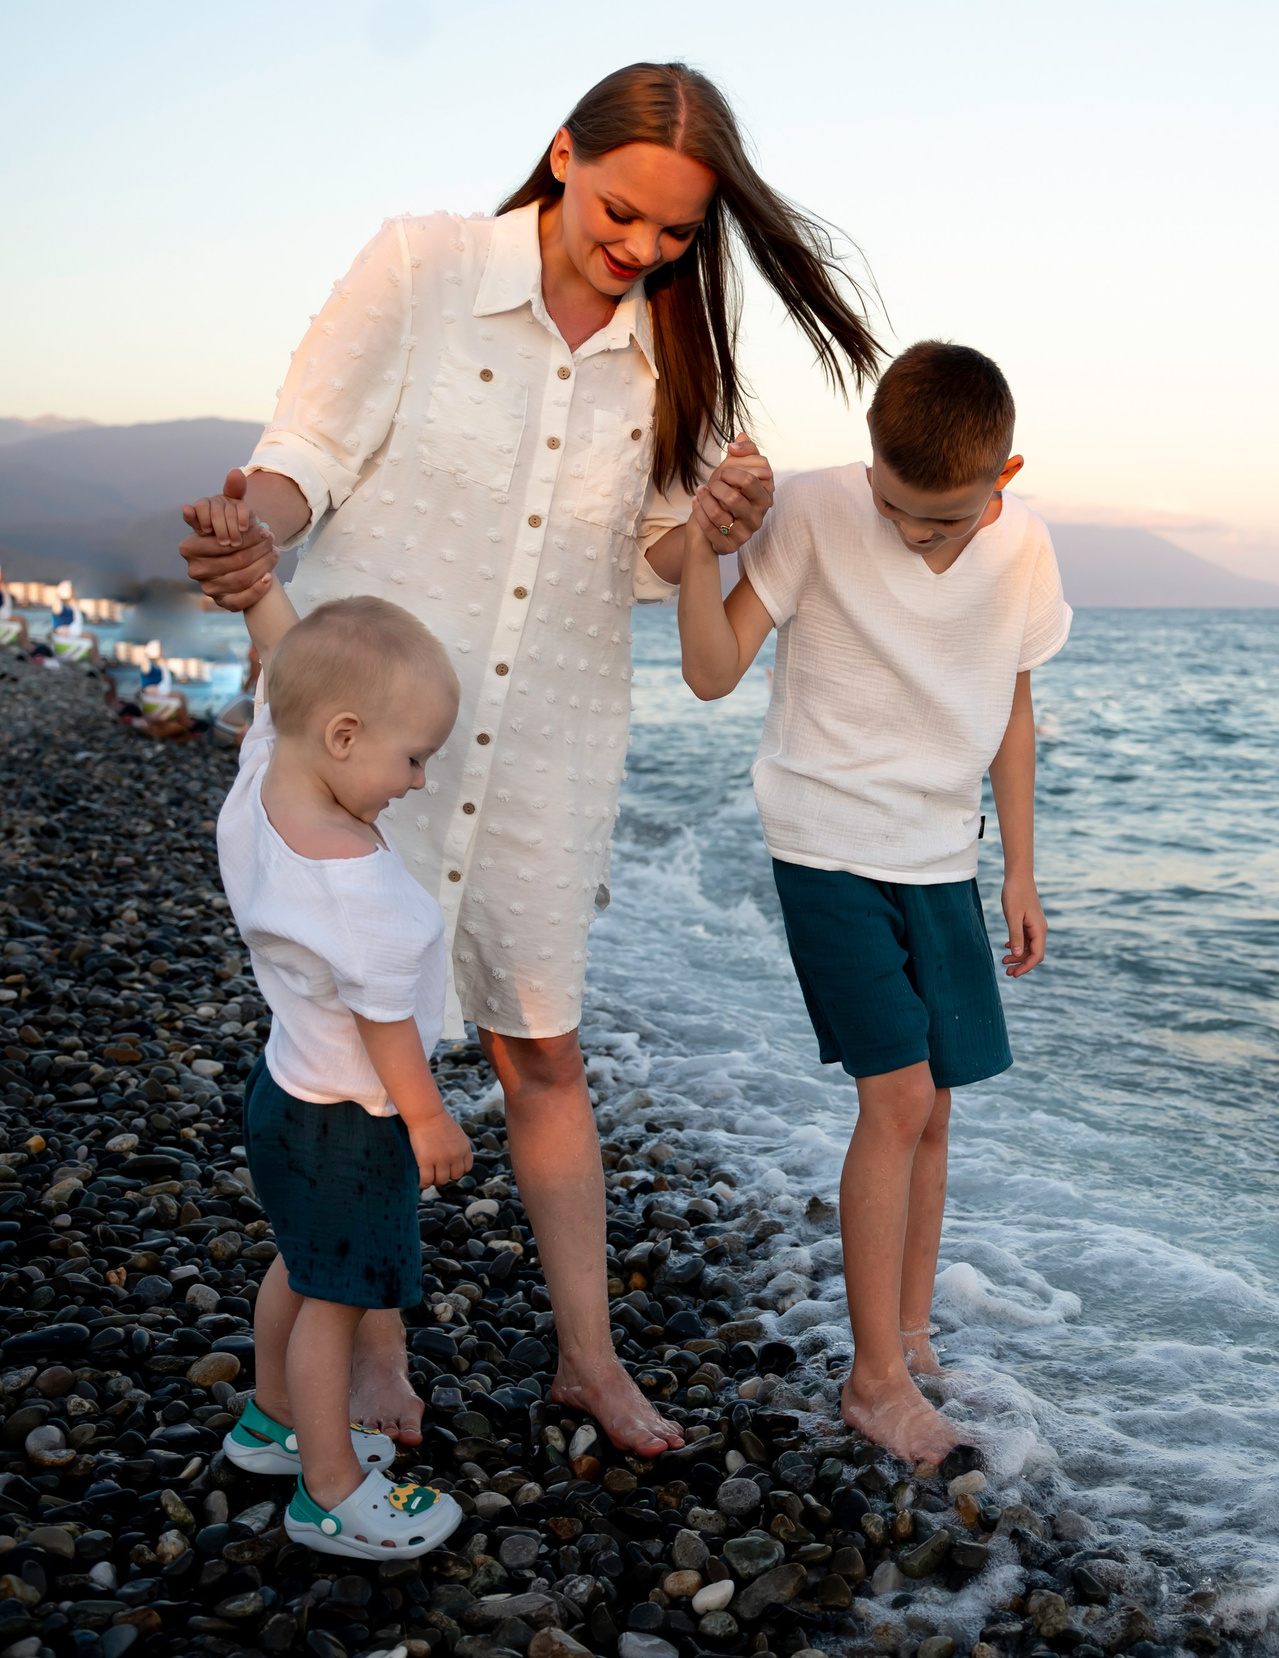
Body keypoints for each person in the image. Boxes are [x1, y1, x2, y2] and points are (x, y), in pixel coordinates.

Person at [176, 62, 881, 1455]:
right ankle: (366, 1344)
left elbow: (656, 557)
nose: (642, 250)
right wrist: (244, 522)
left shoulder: (672, 352)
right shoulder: (424, 266)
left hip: (549, 738)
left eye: (676, 235)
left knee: (543, 1048)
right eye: (623, 212)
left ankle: (590, 1358)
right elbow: (302, 456)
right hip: (365, 741)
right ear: (562, 154)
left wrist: (723, 518)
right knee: (364, 1058)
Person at [670, 342, 1068, 1464]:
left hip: (942, 855)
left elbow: (1014, 715)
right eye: (895, 508)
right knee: (893, 1100)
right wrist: (703, 546)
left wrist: (1021, 870)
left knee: (936, 1104)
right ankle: (875, 1382)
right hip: (825, 843)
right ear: (869, 465)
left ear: (1006, 476)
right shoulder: (811, 513)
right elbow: (710, 671)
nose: (912, 534)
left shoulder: (1025, 547)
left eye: (943, 522)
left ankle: (908, 1332)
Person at [208, 578, 468, 1559]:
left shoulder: (267, 770)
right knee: (337, 1297)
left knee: (302, 1260)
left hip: (285, 1092)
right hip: (355, 1119)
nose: (417, 782)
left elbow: (287, 675)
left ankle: (273, 1422)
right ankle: (330, 1488)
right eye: (413, 758)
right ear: (347, 736)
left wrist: (262, 595)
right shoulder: (358, 890)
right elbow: (388, 1024)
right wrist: (429, 1119)